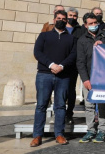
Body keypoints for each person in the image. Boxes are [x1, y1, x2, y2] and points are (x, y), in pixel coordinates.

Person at [31, 10, 77, 147]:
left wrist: (62, 66)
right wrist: (51, 64)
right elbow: (37, 52)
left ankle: (59, 134)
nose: (61, 20)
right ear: (54, 19)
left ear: (66, 21)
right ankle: (37, 135)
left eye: (64, 19)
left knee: (61, 106)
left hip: (63, 76)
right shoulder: (44, 36)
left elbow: (73, 55)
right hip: (44, 74)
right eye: (58, 18)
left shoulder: (71, 38)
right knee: (41, 106)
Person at [77, 13, 105, 143]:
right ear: (85, 25)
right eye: (90, 23)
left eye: (95, 23)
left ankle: (102, 130)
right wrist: (85, 80)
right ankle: (91, 130)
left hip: (103, 77)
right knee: (89, 105)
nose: (93, 25)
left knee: (102, 104)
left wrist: (103, 44)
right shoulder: (82, 40)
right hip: (89, 77)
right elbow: (80, 62)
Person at [65, 7, 81, 124]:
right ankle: (60, 112)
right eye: (70, 15)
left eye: (74, 16)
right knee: (61, 90)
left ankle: (69, 113)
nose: (72, 18)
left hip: (74, 64)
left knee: (71, 89)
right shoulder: (61, 28)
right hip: (61, 63)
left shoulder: (80, 30)